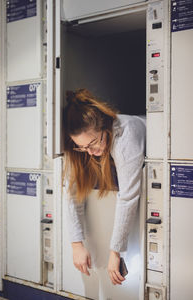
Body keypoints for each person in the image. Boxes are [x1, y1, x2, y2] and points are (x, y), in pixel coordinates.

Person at [63, 88, 146, 286]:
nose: (90, 153)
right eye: (82, 147)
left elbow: (127, 197)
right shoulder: (84, 147)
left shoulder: (126, 138)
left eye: (93, 143)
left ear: (105, 127)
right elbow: (71, 194)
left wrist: (115, 252)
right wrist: (76, 245)